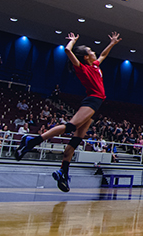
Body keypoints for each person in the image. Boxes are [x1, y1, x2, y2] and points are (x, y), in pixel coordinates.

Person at [15, 31, 122, 192]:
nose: (94, 52)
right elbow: (67, 51)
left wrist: (112, 44)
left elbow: (104, 55)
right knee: (71, 127)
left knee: (75, 141)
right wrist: (72, 41)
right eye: (91, 50)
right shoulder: (82, 68)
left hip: (96, 104)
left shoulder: (94, 65)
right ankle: (32, 140)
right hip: (92, 100)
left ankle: (63, 172)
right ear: (85, 57)